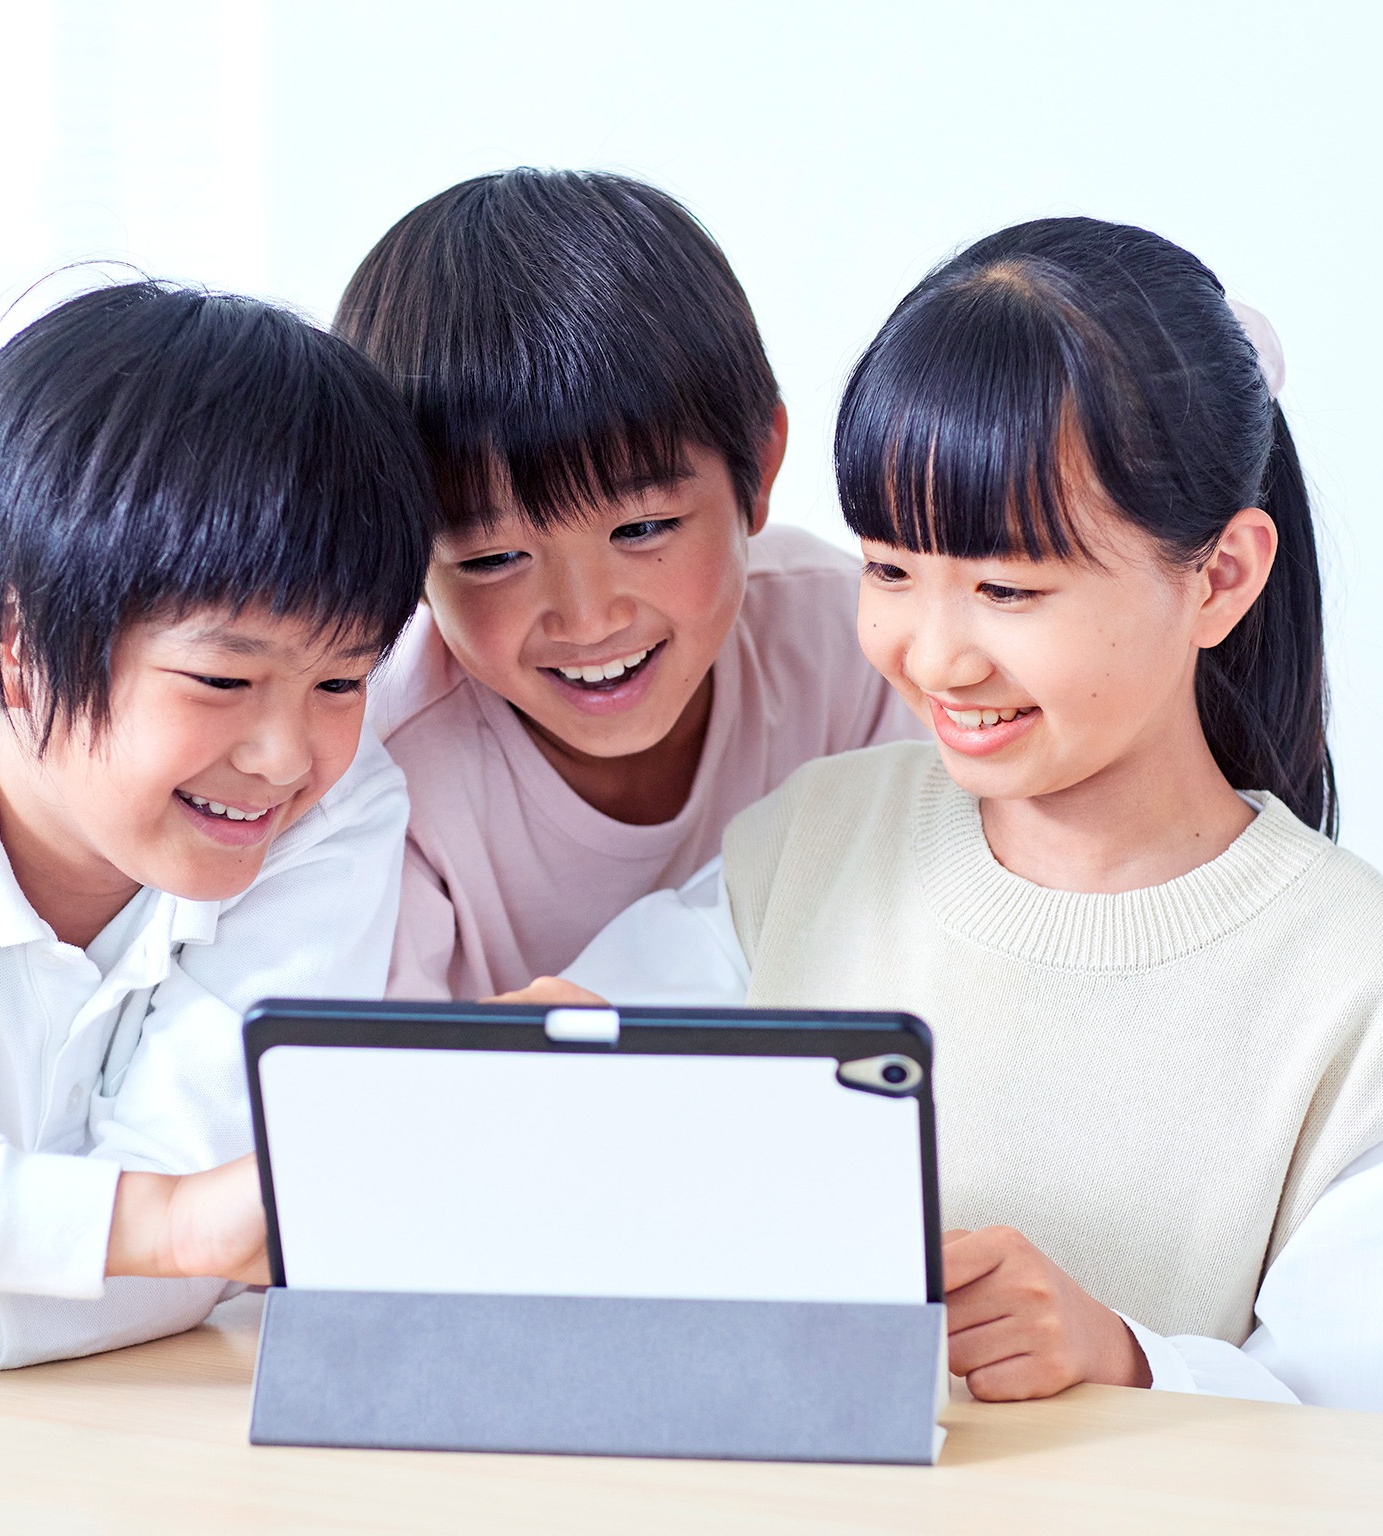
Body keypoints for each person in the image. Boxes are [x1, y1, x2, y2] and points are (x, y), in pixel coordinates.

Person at [548, 218, 1383, 1409]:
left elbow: (1350, 1427)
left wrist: (1129, 1359)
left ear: (1222, 577)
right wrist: (530, 1069)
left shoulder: (1353, 981)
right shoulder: (812, 845)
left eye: (1006, 587)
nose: (934, 655)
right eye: (889, 569)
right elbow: (583, 1072)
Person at [0, 280, 437, 1383]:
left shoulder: (339, 815)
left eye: (343, 678)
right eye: (223, 676)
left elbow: (209, 1243)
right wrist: (158, 1222)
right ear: (7, 635)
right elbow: (190, 1225)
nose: (286, 755)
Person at [334, 168, 919, 1000]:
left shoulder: (852, 641)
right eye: (492, 559)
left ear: (758, 472)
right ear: (404, 561)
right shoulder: (373, 769)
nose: (588, 617)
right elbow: (376, 1099)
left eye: (641, 530)